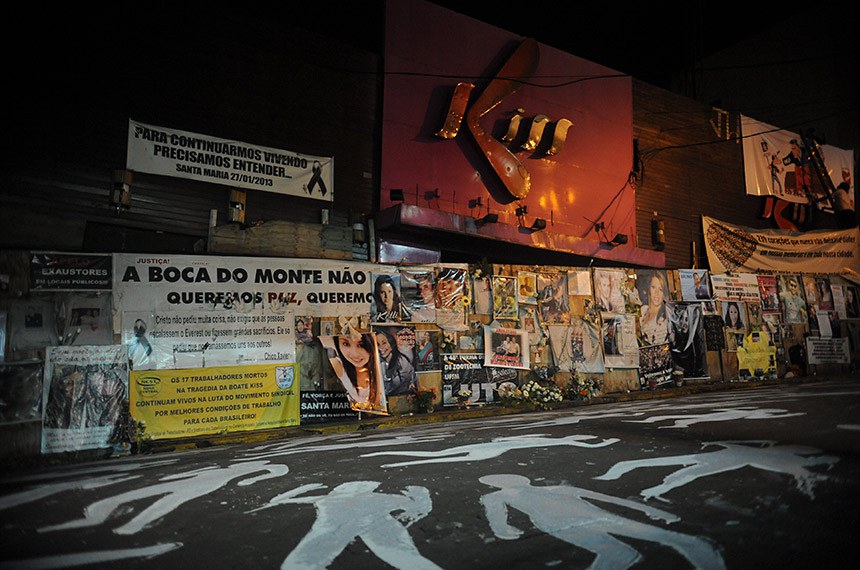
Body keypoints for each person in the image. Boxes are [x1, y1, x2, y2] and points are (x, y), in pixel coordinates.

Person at [331, 332, 380, 407]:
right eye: (346, 344)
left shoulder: (380, 367)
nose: (354, 353)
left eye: (361, 345)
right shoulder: (337, 364)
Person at [375, 328, 417, 396]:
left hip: (403, 399)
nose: (381, 348)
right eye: (377, 345)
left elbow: (392, 387)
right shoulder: (380, 362)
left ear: (391, 344)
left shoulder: (402, 361)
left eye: (384, 343)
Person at [639, 273, 669, 345]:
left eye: (660, 289)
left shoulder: (665, 319)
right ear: (649, 289)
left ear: (664, 293)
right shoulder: (643, 310)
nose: (656, 293)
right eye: (653, 287)